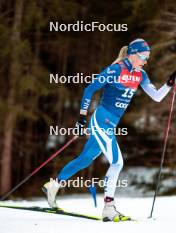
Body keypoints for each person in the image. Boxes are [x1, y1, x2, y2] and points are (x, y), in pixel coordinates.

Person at [43, 38, 176, 222]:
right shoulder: (116, 70)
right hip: (100, 121)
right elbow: (89, 90)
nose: (146, 61)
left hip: (110, 125)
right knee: (117, 162)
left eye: (148, 57)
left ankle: (53, 185)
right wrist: (82, 119)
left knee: (85, 159)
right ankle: (109, 208)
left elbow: (157, 97)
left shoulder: (141, 75)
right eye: (144, 56)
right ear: (133, 54)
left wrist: (169, 83)